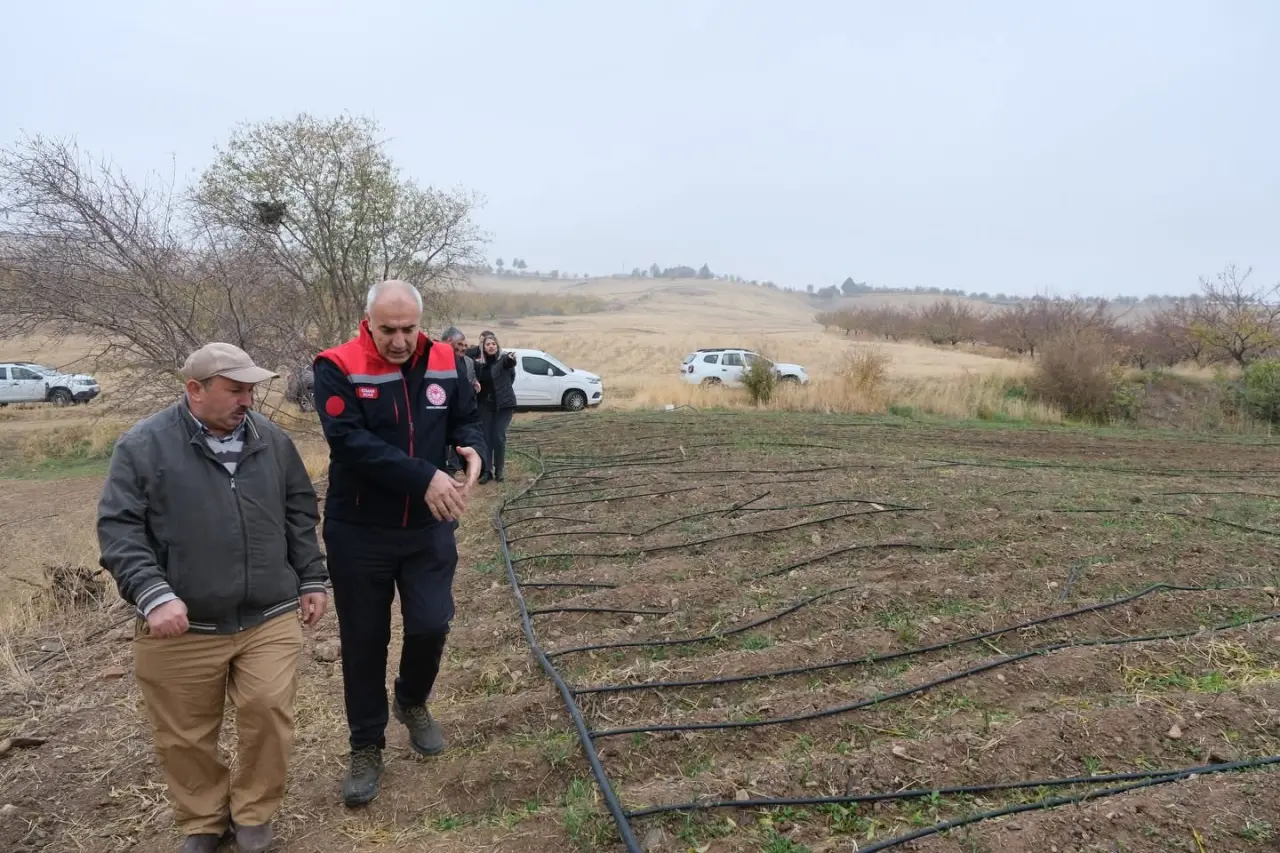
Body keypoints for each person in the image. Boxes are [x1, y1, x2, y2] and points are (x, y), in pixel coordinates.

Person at [97, 342, 328, 853]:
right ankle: (204, 820)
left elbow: (298, 511)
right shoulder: (144, 446)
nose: (248, 399)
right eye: (236, 389)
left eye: (251, 389)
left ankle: (254, 814)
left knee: (268, 711)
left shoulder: (272, 440)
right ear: (195, 390)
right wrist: (153, 594)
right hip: (185, 624)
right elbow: (119, 530)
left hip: (267, 614)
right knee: (184, 734)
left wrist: (312, 578)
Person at [311, 279, 484, 808]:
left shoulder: (447, 362)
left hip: (428, 527)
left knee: (432, 623)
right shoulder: (337, 365)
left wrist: (472, 449)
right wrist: (423, 477)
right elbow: (349, 443)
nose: (400, 340)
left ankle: (411, 699)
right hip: (359, 530)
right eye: (388, 329)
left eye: (409, 328)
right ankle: (366, 745)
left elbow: (466, 420)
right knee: (364, 641)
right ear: (369, 323)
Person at [468, 330, 517, 484]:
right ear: (483, 347)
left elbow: (511, 366)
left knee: (498, 436)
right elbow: (475, 379)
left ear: (497, 346)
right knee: (486, 438)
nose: (491, 346)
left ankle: (500, 470)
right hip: (485, 405)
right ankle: (487, 471)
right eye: (487, 344)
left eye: (493, 344)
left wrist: (511, 360)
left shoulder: (504, 360)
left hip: (504, 405)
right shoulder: (479, 364)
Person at [440, 326, 480, 474]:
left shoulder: (468, 362)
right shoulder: (433, 359)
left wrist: (474, 383)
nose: (463, 348)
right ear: (449, 341)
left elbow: (470, 377)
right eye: (460, 345)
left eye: (465, 346)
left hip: (459, 412)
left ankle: (452, 469)